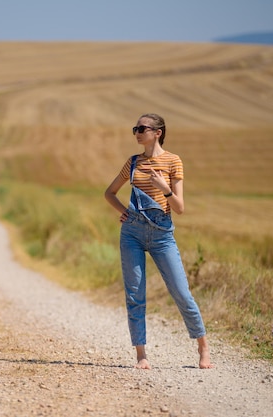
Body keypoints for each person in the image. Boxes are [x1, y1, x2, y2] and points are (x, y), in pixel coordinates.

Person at [104, 113, 214, 370]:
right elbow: (109, 193)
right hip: (131, 232)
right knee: (135, 294)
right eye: (135, 128)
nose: (137, 133)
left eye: (142, 128)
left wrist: (164, 187)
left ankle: (203, 346)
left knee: (181, 292)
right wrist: (123, 210)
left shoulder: (173, 161)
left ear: (158, 132)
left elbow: (180, 207)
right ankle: (141, 355)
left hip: (162, 235)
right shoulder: (132, 163)